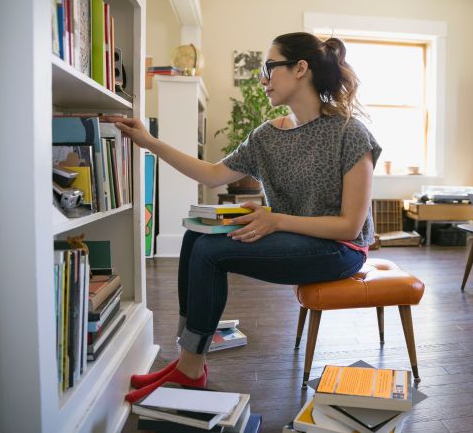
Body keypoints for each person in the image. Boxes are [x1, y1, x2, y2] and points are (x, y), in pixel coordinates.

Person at [106, 32, 382, 403]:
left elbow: (350, 226)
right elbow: (211, 173)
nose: (263, 78)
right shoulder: (266, 136)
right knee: (196, 236)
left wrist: (276, 219)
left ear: (300, 69)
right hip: (297, 238)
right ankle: (190, 356)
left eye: (270, 67)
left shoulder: (351, 133)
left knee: (210, 252)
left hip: (340, 250)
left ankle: (190, 368)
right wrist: (149, 142)